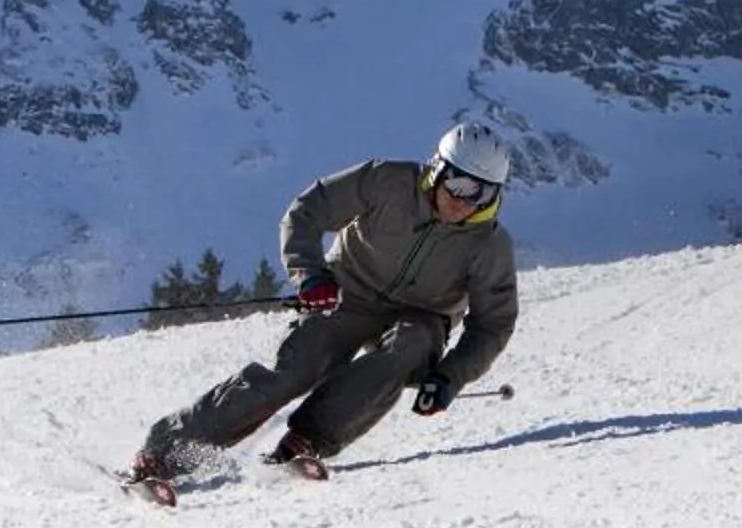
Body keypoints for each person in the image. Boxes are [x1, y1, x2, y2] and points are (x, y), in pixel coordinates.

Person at [127, 122, 520, 494]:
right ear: (437, 169)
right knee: (292, 372)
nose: (463, 200)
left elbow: (493, 324)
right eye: (457, 183)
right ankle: (163, 455)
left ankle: (306, 440)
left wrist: (449, 378)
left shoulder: (489, 245)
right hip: (347, 294)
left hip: (421, 316)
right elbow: (308, 210)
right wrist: (310, 276)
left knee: (410, 345)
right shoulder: (386, 181)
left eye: (480, 193)